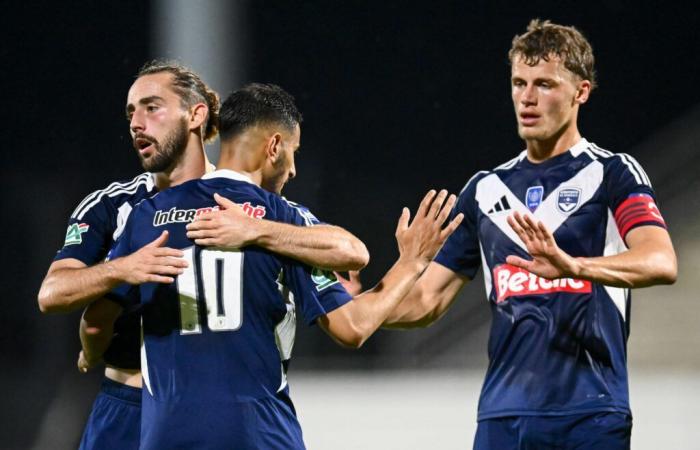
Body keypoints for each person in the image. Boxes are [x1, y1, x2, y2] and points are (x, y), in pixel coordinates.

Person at [105, 83, 462, 449]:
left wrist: (92, 350)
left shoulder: (147, 215)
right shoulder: (285, 222)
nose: (292, 170)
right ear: (274, 147)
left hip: (166, 434)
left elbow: (98, 317)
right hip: (256, 432)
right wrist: (413, 261)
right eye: (293, 152)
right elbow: (353, 323)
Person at [37, 61, 368, 449]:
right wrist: (124, 268)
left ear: (196, 115)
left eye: (151, 107)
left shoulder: (252, 207)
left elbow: (95, 323)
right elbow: (53, 292)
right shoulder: (113, 206)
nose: (136, 123)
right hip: (131, 403)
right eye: (131, 112)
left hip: (207, 408)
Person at [384, 19, 677, 450]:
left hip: (591, 414)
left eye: (544, 84)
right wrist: (357, 301)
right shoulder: (485, 190)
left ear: (581, 92)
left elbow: (661, 261)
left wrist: (574, 266)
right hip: (504, 417)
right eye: (519, 83)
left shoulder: (612, 173)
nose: (527, 97)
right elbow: (426, 301)